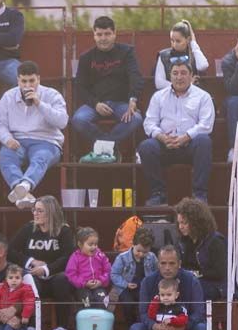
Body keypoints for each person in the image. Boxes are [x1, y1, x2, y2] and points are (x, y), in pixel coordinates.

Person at [0, 60, 68, 210]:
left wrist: (39, 103)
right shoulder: (8, 97)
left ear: (38, 79)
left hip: (46, 140)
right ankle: (21, 192)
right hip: (18, 140)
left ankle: (25, 185)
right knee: (5, 157)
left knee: (40, 157)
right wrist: (7, 139)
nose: (28, 85)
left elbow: (62, 122)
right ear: (18, 81)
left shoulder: (52, 95)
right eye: (24, 81)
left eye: (32, 81)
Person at [139, 59, 214, 206]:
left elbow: (206, 125)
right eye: (175, 73)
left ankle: (199, 195)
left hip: (190, 146)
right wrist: (161, 137)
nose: (179, 77)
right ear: (170, 76)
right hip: (165, 145)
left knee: (204, 141)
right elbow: (149, 123)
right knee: (146, 146)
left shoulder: (203, 96)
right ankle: (158, 194)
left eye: (183, 73)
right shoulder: (158, 96)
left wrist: (186, 137)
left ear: (191, 75)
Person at [122, 245, 207, 330]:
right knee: (136, 328)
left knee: (201, 328)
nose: (167, 268)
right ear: (158, 264)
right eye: (163, 263)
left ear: (179, 264)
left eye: (172, 263)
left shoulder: (191, 281)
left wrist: (180, 328)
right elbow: (143, 314)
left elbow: (198, 313)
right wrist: (155, 326)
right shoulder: (148, 282)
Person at [9, 195, 76, 330]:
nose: (35, 213)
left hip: (55, 280)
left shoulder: (63, 231)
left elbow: (68, 257)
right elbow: (10, 251)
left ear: (50, 213)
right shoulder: (29, 228)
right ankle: (31, 328)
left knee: (62, 280)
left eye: (40, 211)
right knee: (29, 281)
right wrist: (31, 262)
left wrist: (46, 269)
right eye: (34, 210)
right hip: (34, 279)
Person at [72, 16, 144, 154]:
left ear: (114, 33)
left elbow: (136, 76)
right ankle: (108, 145)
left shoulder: (127, 52)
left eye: (107, 34)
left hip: (121, 103)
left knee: (136, 119)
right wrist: (95, 104)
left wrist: (133, 99)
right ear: (94, 35)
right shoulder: (86, 58)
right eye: (99, 34)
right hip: (95, 104)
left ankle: (105, 145)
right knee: (78, 120)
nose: (103, 38)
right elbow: (80, 86)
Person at [175, 197, 228, 302]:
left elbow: (219, 272)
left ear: (196, 222)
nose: (180, 227)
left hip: (215, 285)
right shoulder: (184, 241)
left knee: (188, 290)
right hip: (192, 280)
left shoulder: (215, 241)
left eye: (184, 223)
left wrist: (196, 274)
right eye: (179, 223)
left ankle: (193, 317)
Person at [110, 228, 159, 324]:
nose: (141, 254)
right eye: (138, 251)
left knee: (146, 305)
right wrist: (126, 284)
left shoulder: (152, 257)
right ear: (133, 244)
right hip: (125, 288)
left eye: (145, 252)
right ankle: (130, 324)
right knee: (128, 304)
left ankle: (142, 324)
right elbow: (114, 274)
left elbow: (157, 272)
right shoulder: (122, 258)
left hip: (144, 288)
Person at [64, 226, 112, 309]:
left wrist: (101, 281)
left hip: (99, 286)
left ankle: (101, 321)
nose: (94, 247)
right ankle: (86, 321)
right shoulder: (75, 257)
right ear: (80, 244)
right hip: (83, 288)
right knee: (87, 302)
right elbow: (70, 274)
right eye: (90, 244)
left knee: (102, 301)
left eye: (96, 244)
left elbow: (108, 271)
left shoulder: (101, 255)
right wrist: (84, 283)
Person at [154, 19, 209, 90]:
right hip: (170, 95)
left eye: (178, 41)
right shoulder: (164, 55)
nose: (174, 44)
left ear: (188, 39)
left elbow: (202, 66)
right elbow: (159, 83)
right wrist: (185, 85)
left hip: (192, 96)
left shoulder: (194, 54)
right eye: (172, 40)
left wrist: (193, 42)